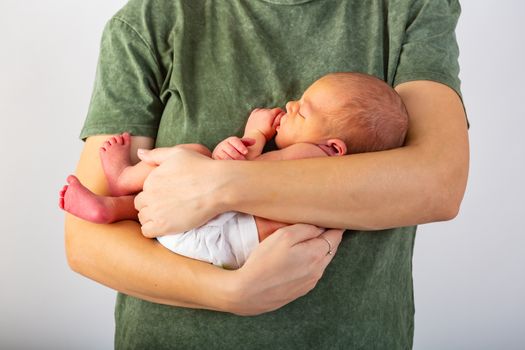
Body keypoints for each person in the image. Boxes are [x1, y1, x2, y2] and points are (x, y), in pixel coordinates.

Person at [64, 0, 469, 349]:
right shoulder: (154, 19)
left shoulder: (406, 9)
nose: (291, 106)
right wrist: (228, 292)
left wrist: (214, 185)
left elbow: (439, 184)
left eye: (305, 109)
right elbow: (85, 244)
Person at [60, 72, 408, 269]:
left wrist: (253, 136)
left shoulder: (310, 157)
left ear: (334, 148)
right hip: (219, 249)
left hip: (210, 232)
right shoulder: (340, 190)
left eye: (303, 112)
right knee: (174, 184)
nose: (290, 104)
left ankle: (123, 179)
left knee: (193, 155)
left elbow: (235, 176)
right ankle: (112, 208)